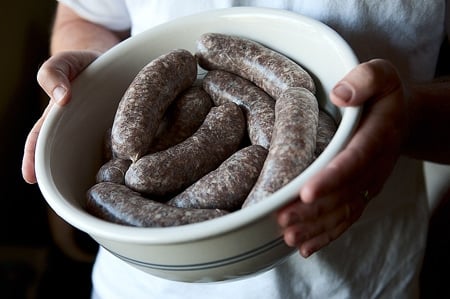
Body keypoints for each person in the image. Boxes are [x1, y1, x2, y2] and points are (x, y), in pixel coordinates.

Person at [22, 1, 450, 298]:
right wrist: (88, 86)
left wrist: (410, 118)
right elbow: (87, 14)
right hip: (142, 284)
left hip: (358, 279)